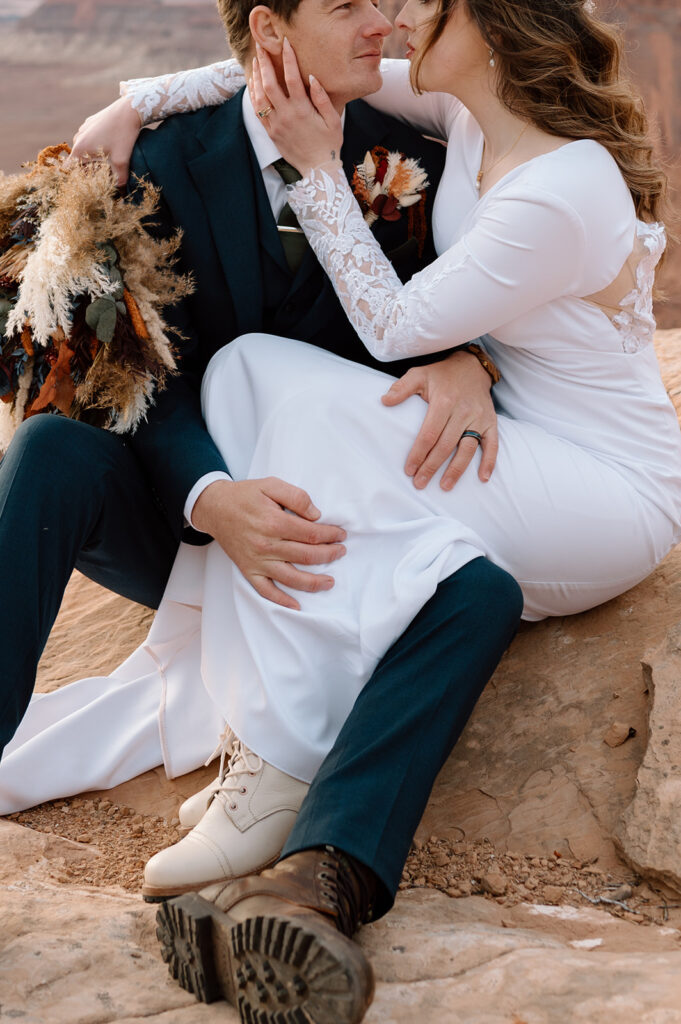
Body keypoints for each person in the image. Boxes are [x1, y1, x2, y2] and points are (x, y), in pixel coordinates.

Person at [64, 0, 681, 1021]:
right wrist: (133, 105)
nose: (397, 18)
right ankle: (297, 818)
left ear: (484, 25)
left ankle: (275, 761)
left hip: (603, 487)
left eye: (424, 7)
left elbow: (394, 321)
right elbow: (273, 78)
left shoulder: (565, 190)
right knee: (258, 375)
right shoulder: (475, 112)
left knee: (294, 398)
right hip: (517, 439)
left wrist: (319, 176)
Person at [0, 0, 521, 996]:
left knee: (482, 590)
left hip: (322, 526)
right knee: (52, 446)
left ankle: (311, 879)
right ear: (272, 32)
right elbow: (134, 373)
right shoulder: (157, 162)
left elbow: (464, 296)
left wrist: (471, 360)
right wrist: (210, 496)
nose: (382, 19)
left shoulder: (401, 161)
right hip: (184, 511)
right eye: (348, 4)